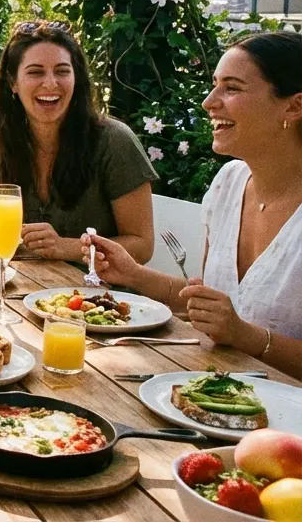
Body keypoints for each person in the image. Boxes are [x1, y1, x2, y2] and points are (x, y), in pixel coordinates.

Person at [84, 31, 302, 378]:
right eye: (215, 84)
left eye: (232, 88)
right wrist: (132, 274)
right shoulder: (228, 184)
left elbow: (233, 328)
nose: (209, 101)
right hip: (207, 391)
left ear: (293, 105)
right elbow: (205, 307)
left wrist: (248, 337)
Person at [0, 21, 157, 263]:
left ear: (76, 79)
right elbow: (6, 229)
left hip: (101, 295)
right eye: (35, 72)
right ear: (13, 82)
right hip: (27, 286)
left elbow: (142, 246)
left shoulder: (114, 141)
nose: (51, 83)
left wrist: (67, 247)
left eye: (62, 71)